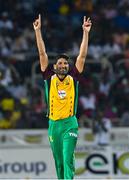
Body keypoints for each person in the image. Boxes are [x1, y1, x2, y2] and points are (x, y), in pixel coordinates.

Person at [33, 14, 92, 180]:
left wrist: (85, 33)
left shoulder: (73, 78)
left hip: (69, 124)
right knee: (58, 162)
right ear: (54, 66)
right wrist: (38, 31)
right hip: (53, 124)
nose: (63, 65)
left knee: (67, 158)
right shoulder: (48, 77)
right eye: (60, 63)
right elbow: (42, 53)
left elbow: (82, 56)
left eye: (66, 63)